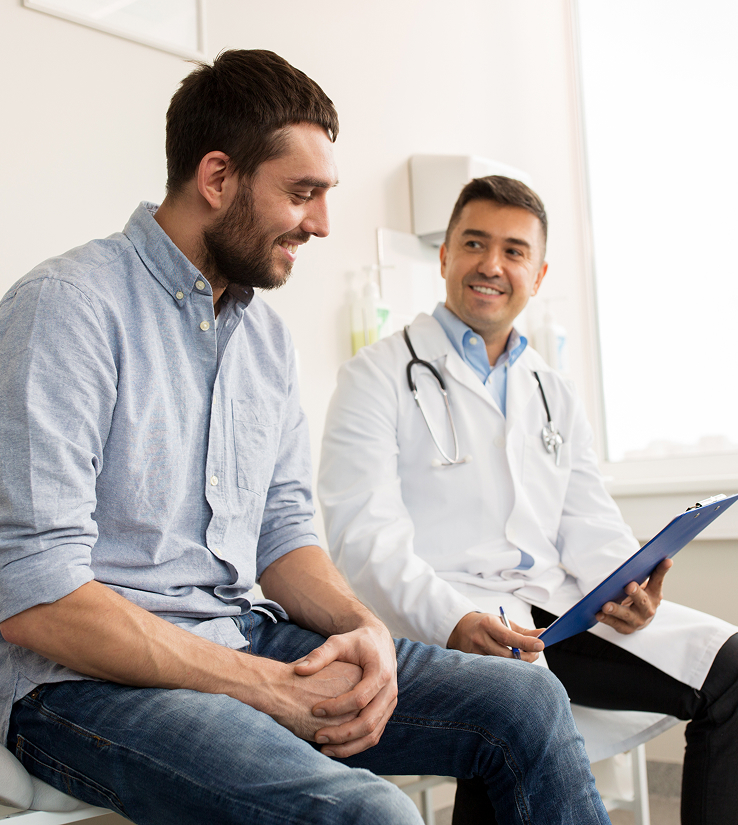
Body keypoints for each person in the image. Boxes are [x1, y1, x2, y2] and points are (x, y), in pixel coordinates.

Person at [0, 53, 610, 825]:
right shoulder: (67, 309)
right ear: (217, 178)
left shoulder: (264, 340)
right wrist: (262, 687)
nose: (321, 222)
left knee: (527, 700)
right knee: (373, 813)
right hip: (82, 683)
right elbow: (35, 596)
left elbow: (283, 535)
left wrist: (365, 630)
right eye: (302, 193)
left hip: (244, 635)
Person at [319, 175, 738, 825]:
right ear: (445, 257)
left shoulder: (552, 388)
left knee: (731, 664)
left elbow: (588, 518)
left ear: (538, 274)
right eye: (475, 243)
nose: (492, 264)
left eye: (514, 251)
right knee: (515, 708)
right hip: (442, 618)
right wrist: (454, 619)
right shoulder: (374, 377)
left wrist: (624, 584)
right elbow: (362, 539)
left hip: (556, 610)